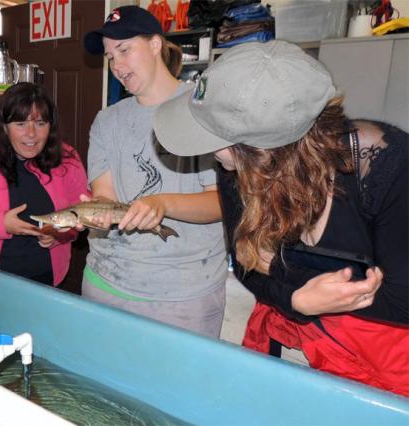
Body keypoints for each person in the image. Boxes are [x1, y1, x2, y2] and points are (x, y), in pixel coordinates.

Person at [153, 40, 408, 395]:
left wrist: (279, 271)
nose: (207, 152)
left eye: (213, 137)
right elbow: (244, 265)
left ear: (264, 150)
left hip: (384, 366)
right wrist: (299, 300)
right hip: (288, 336)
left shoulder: (387, 166)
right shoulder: (235, 166)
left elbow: (402, 302)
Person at [81, 6, 228, 337]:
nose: (117, 65)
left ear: (155, 44)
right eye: (109, 56)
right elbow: (105, 195)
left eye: (124, 49)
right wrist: (96, 211)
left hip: (181, 297)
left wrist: (162, 204)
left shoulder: (201, 111)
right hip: (104, 283)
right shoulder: (106, 121)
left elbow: (222, 203)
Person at [0, 83, 89, 287]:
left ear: (50, 126)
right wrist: (1, 224)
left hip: (46, 281)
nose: (31, 134)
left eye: (40, 123)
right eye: (20, 124)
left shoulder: (67, 159)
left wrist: (58, 234)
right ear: (4, 127)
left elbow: (80, 214)